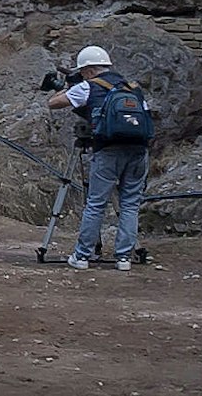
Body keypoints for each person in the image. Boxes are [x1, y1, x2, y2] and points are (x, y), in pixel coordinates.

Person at [59, 43, 153, 271]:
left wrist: (68, 87)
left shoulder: (89, 86)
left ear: (89, 70)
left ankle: (82, 256)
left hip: (108, 150)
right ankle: (124, 259)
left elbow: (53, 103)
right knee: (130, 205)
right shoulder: (132, 87)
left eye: (82, 72)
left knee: (96, 204)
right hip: (138, 151)